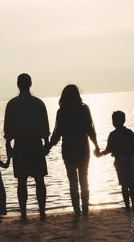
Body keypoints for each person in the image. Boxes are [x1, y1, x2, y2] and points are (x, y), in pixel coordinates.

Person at [4, 73, 50, 222]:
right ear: (30, 84)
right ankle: (42, 213)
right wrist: (46, 143)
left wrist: (8, 146)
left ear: (18, 85)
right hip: (36, 144)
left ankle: (24, 214)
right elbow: (45, 127)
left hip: (20, 145)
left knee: (21, 182)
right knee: (39, 180)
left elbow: (8, 130)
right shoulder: (38, 103)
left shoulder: (12, 104)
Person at [49, 84, 100, 217]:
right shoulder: (84, 109)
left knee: (72, 181)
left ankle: (77, 210)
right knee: (84, 179)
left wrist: (48, 146)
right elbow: (90, 129)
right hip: (83, 148)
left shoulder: (62, 111)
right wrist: (96, 145)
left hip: (68, 149)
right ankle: (85, 210)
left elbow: (57, 133)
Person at [97, 110, 134, 212]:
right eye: (113, 120)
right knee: (130, 184)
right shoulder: (128, 132)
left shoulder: (113, 135)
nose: (114, 122)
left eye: (115, 120)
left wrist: (100, 154)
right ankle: (132, 206)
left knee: (125, 185)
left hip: (121, 161)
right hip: (128, 160)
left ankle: (129, 206)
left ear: (121, 121)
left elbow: (109, 150)